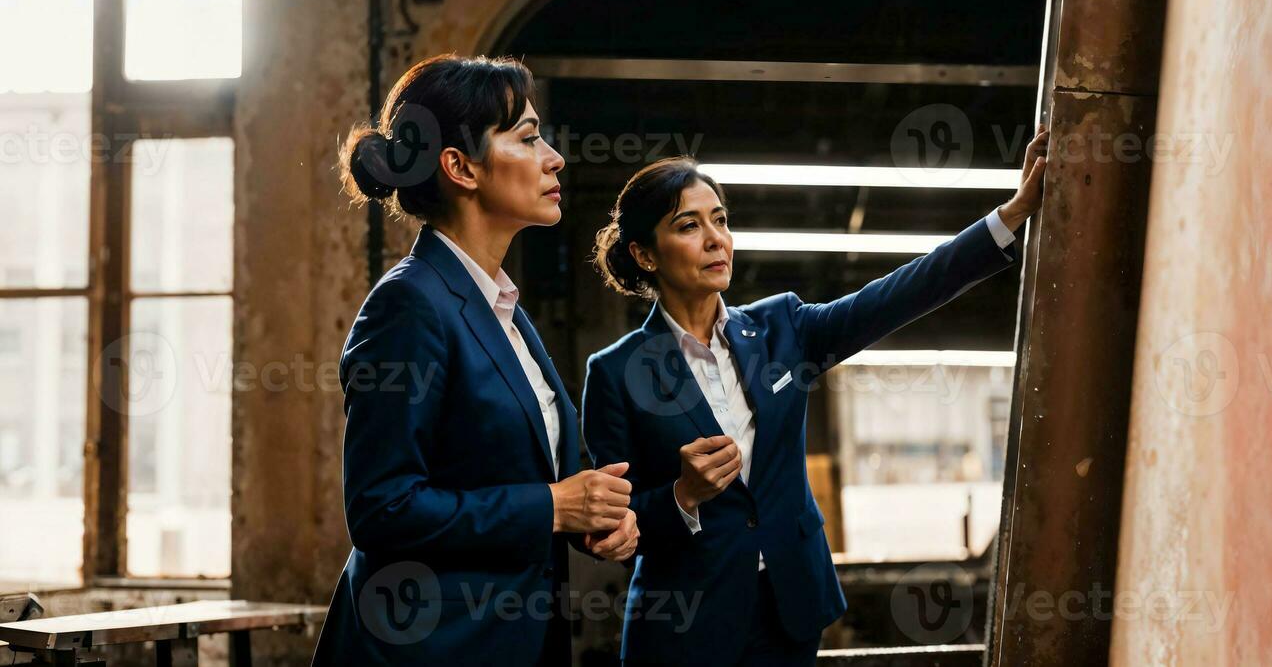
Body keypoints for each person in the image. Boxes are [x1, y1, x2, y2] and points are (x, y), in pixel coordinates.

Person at [581, 126, 1048, 665]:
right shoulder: (614, 372)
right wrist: (682, 496)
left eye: (721, 220)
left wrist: (1011, 215)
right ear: (644, 255)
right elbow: (613, 530)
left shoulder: (783, 328)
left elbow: (899, 294)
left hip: (791, 607)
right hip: (685, 629)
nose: (716, 239)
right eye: (689, 225)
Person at [314, 53, 638, 666]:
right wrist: (552, 506)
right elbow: (382, 509)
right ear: (460, 167)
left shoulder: (501, 307)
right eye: (528, 137)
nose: (554, 157)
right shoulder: (409, 304)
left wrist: (588, 523)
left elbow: (514, 481)